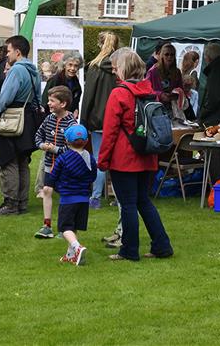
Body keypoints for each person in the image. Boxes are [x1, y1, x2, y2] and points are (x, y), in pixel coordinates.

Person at [100, 48, 173, 262]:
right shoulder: (148, 90)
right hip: (148, 154)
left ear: (122, 69)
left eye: (116, 69)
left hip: (125, 158)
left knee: (129, 205)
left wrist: (103, 160)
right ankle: (162, 245)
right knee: (144, 202)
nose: (114, 73)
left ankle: (129, 250)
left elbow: (110, 130)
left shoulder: (119, 93)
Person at [0, 34, 42, 216]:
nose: (7, 55)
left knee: (6, 159)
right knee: (22, 160)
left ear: (17, 52)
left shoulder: (17, 70)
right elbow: (38, 99)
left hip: (13, 118)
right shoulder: (34, 70)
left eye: (8, 51)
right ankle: (21, 202)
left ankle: (10, 203)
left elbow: (6, 96)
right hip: (28, 120)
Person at [80, 31, 120, 210]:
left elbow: (88, 97)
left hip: (98, 119)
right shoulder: (120, 67)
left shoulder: (95, 67)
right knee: (118, 160)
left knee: (98, 159)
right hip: (117, 119)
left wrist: (84, 121)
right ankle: (119, 197)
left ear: (99, 44)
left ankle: (95, 197)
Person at [49, 124, 97, 265]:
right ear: (87, 141)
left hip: (68, 199)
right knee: (73, 226)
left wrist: (50, 186)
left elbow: (53, 176)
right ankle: (70, 255)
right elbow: (93, 176)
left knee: (65, 228)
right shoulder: (90, 158)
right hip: (83, 199)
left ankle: (77, 247)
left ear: (66, 141)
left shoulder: (63, 159)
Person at [33, 85, 77, 239]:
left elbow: (73, 147)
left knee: (66, 194)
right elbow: (38, 135)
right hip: (49, 164)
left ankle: (66, 227)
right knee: (46, 191)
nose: (49, 103)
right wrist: (41, 145)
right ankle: (47, 225)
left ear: (63, 104)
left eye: (52, 101)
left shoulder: (72, 123)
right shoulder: (49, 118)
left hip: (65, 166)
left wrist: (56, 150)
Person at [41, 51, 83, 117]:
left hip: (68, 119)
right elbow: (44, 101)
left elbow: (76, 102)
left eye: (76, 66)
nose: (72, 68)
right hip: (52, 119)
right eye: (70, 65)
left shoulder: (76, 83)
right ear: (64, 65)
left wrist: (76, 109)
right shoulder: (55, 80)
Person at [146, 43, 183, 114]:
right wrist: (160, 95)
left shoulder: (177, 72)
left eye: (172, 55)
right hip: (156, 108)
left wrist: (175, 94)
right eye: (167, 54)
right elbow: (147, 90)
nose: (169, 57)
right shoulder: (153, 71)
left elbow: (180, 89)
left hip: (172, 108)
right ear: (162, 55)